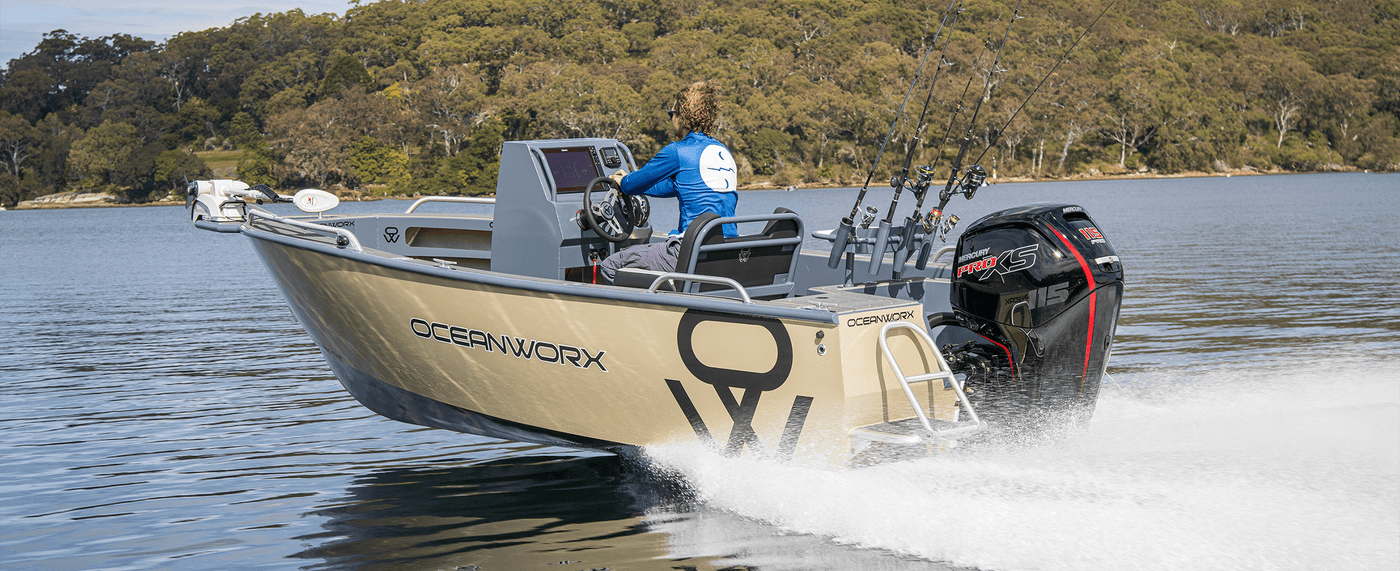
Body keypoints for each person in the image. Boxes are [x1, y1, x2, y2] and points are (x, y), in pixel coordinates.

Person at [596, 81, 738, 284]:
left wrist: (623, 182)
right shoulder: (723, 152)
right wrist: (630, 183)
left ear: (683, 116)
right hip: (723, 250)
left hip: (689, 252)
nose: (671, 119)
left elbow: (630, 186)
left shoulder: (678, 151)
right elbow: (672, 186)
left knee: (611, 266)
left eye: (671, 113)